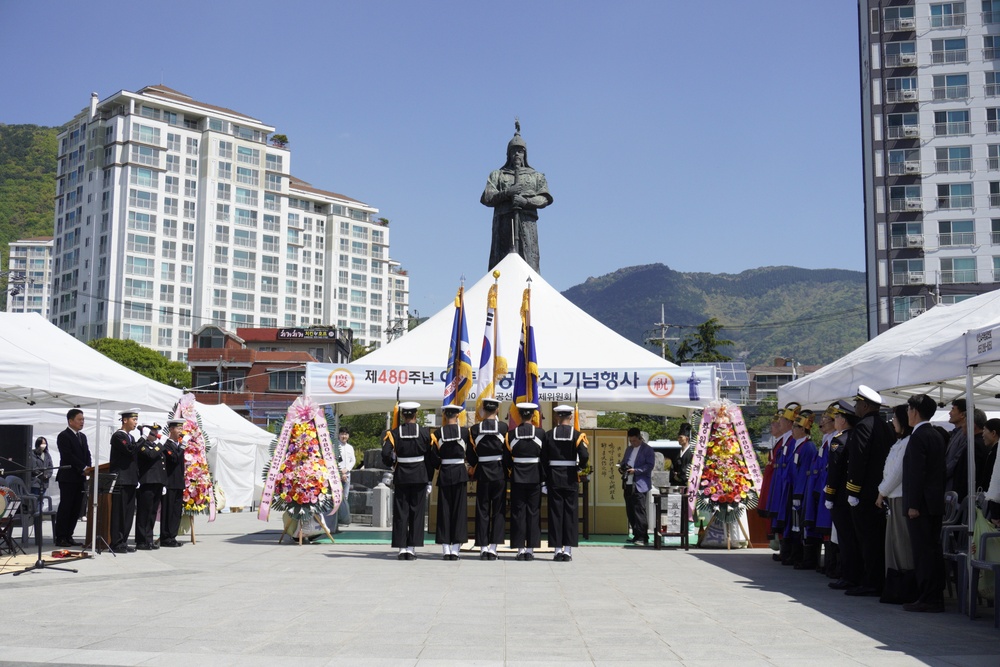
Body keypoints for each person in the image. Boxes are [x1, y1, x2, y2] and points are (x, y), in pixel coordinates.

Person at [480, 122, 553, 273]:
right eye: (514, 151)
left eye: (520, 151)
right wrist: (507, 193)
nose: (517, 154)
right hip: (503, 223)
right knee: (501, 263)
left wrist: (525, 201)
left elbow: (544, 199)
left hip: (527, 224)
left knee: (529, 263)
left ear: (525, 154)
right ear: (508, 154)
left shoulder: (535, 176)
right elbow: (487, 197)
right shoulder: (498, 175)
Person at [844, 385, 895, 597]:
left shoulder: (863, 426)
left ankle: (871, 582)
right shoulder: (884, 425)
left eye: (857, 403)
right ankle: (875, 580)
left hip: (865, 492)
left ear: (865, 406)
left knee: (867, 539)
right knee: (876, 538)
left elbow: (858, 460)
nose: (855, 407)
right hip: (880, 490)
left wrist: (853, 490)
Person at [902, 393, 947, 613]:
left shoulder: (919, 436)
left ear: (915, 412)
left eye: (909, 409)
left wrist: (913, 504)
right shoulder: (936, 434)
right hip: (933, 502)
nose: (907, 413)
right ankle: (933, 595)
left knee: (923, 552)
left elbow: (917, 473)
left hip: (921, 505)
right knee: (932, 550)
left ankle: (928, 597)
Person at [381, 402, 434, 560]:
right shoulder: (424, 433)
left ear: (403, 415)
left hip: (402, 476)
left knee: (401, 512)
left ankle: (401, 548)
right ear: (416, 415)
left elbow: (385, 453)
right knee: (416, 512)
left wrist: (392, 463)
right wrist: (429, 479)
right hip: (420, 476)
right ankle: (411, 549)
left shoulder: (394, 433)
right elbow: (430, 458)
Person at [876, 404, 917, 604]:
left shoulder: (908, 442)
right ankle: (894, 587)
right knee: (892, 543)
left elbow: (898, 473)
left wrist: (881, 492)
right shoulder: (899, 442)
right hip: (892, 496)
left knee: (902, 545)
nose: (893, 422)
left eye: (895, 418)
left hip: (898, 496)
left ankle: (905, 589)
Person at [541, 405, 589, 562]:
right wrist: (579, 467)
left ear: (556, 417)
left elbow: (543, 459)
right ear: (570, 417)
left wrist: (545, 479)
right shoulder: (577, 435)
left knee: (555, 513)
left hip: (554, 477)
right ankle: (567, 550)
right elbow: (584, 455)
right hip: (570, 477)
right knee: (570, 513)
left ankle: (557, 550)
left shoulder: (548, 435)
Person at [467, 397, 508, 560]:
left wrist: (476, 465)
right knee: (498, 510)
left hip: (483, 471)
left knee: (482, 509)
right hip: (499, 471)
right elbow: (507, 452)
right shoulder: (503, 427)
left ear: (483, 410)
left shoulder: (474, 429)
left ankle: (483, 547)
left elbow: (470, 454)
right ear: (497, 410)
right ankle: (493, 547)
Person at [825, 400, 860, 589]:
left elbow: (834, 471)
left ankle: (848, 576)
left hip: (840, 495)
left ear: (844, 420)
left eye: (837, 417)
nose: (835, 420)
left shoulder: (839, 440)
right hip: (853, 493)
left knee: (845, 539)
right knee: (853, 537)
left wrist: (829, 495)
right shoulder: (856, 436)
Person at [429, 405, 470, 560]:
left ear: (445, 415)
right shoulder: (465, 432)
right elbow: (471, 453)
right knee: (459, 510)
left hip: (445, 472)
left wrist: (440, 465)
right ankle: (455, 548)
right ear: (458, 415)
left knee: (444, 510)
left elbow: (433, 456)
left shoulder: (437, 433)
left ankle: (445, 547)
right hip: (460, 472)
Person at [505, 403, 544, 561]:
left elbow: (507, 458)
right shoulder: (540, 433)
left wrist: (512, 471)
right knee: (533, 512)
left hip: (517, 476)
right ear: (533, 416)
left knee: (518, 512)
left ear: (519, 415)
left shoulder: (511, 434)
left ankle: (520, 549)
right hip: (535, 477)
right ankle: (530, 549)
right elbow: (544, 457)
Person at [804, 404, 836, 573]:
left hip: (827, 486)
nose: (821, 423)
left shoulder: (834, 440)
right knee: (823, 523)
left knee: (828, 524)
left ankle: (832, 565)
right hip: (819, 485)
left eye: (826, 419)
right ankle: (827, 563)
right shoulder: (826, 439)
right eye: (822, 418)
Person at [54, 409, 91, 547]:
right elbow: (68, 456)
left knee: (76, 508)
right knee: (66, 506)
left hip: (80, 477)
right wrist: (83, 467)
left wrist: (89, 468)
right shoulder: (64, 436)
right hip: (68, 477)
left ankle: (69, 535)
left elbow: (87, 453)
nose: (82, 422)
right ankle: (61, 536)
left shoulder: (82, 436)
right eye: (79, 419)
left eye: (83, 419)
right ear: (70, 421)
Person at [769, 402, 800, 562]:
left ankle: (789, 552)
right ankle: (784, 550)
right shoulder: (785, 440)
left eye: (781, 421)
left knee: (787, 517)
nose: (778, 423)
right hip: (780, 482)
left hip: (786, 483)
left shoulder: (792, 441)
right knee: (781, 516)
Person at [786, 410, 818, 568]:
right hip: (795, 489)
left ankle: (806, 558)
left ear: (803, 429)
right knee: (795, 524)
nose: (792, 429)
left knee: (803, 525)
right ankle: (796, 555)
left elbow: (804, 472)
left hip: (803, 492)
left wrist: (798, 493)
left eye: (795, 427)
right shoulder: (798, 446)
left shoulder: (808, 447)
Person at [109, 409, 141, 553]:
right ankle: (116, 542)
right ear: (125, 420)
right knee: (119, 513)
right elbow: (129, 450)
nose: (136, 422)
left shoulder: (131, 437)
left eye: (136, 419)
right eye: (134, 419)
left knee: (128, 513)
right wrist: (142, 439)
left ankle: (123, 541)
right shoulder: (118, 436)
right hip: (121, 479)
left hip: (131, 479)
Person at [620, 426, 655, 546]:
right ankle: (636, 535)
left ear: (640, 438)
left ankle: (642, 536)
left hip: (640, 483)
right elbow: (624, 461)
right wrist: (622, 467)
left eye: (634, 440)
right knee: (630, 510)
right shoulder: (629, 449)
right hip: (628, 483)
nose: (632, 443)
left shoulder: (647, 450)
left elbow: (649, 466)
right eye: (630, 441)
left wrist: (636, 470)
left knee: (639, 510)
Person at [135, 424, 166, 550]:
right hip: (147, 482)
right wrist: (160, 445)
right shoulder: (143, 445)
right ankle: (141, 540)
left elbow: (162, 465)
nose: (156, 434)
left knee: (152, 512)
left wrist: (163, 482)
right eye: (153, 432)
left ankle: (149, 539)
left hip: (157, 482)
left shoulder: (156, 446)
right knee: (144, 512)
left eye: (156, 432)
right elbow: (150, 455)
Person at [159, 419, 186, 548]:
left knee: (176, 512)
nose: (181, 431)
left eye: (181, 428)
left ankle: (172, 536)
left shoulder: (178, 445)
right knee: (168, 511)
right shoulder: (167, 444)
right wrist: (182, 446)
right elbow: (174, 458)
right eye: (178, 428)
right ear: (171, 429)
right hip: (169, 482)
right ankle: (165, 537)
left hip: (178, 482)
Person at [329, 427, 356, 535]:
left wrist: (347, 470)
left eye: (346, 434)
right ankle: (334, 524)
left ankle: (341, 522)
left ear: (348, 436)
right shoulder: (335, 446)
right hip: (337, 476)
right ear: (339, 435)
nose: (344, 436)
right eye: (342, 434)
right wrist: (340, 473)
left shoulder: (350, 447)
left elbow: (353, 460)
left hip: (347, 476)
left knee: (344, 498)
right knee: (335, 499)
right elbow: (333, 460)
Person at [944, 398, 969, 502]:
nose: (950, 413)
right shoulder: (955, 433)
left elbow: (956, 460)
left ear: (962, 414)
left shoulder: (964, 434)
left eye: (953, 409)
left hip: (954, 488)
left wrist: (941, 474)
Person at [671, 423, 693, 487]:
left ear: (687, 438)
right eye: (678, 438)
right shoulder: (677, 453)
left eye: (680, 437)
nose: (679, 439)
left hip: (687, 483)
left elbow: (689, 468)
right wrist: (674, 474)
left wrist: (679, 476)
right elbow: (673, 467)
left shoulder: (692, 452)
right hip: (676, 483)